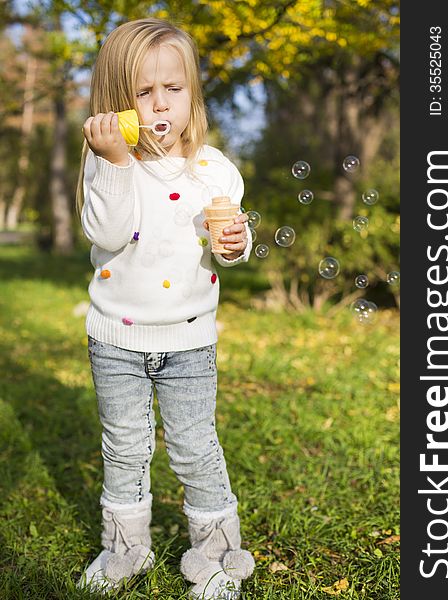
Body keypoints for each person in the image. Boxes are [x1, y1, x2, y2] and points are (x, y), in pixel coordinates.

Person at [75, 17, 255, 599]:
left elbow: (227, 236)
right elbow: (108, 230)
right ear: (116, 100)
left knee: (195, 446)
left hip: (189, 341)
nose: (159, 104)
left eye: (171, 89)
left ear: (191, 92)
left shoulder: (213, 168)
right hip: (117, 340)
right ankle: (125, 551)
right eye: (142, 91)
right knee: (124, 447)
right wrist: (116, 162)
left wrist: (235, 243)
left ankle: (218, 557)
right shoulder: (106, 162)